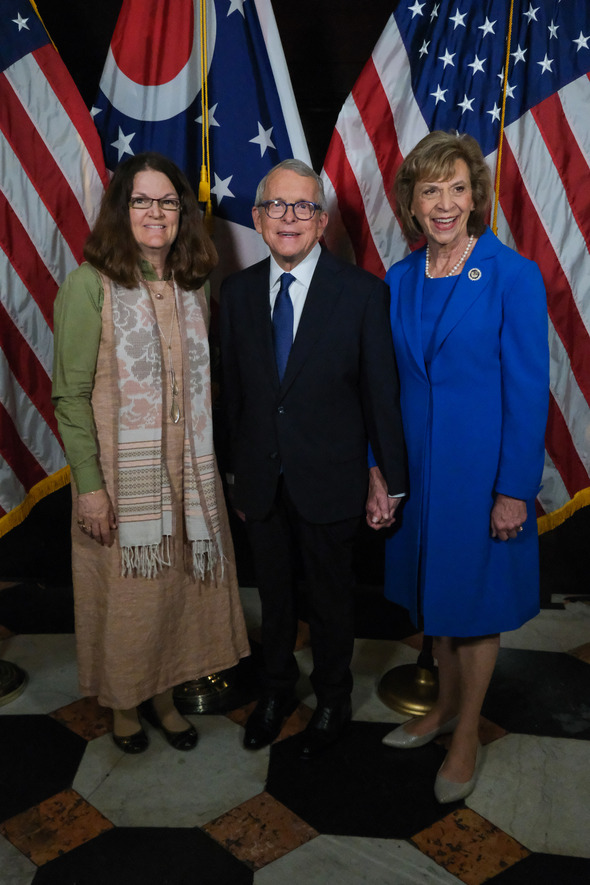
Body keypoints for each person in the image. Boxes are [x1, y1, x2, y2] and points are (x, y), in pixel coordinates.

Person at [52, 152, 249, 754]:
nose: (156, 213)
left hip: (187, 475)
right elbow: (70, 396)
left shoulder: (191, 282)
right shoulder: (90, 285)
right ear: (121, 208)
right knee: (128, 602)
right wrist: (89, 488)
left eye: (168, 202)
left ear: (182, 212)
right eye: (142, 201)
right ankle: (124, 706)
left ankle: (164, 696)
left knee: (175, 596)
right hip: (120, 477)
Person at [376, 131, 549, 802]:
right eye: (430, 190)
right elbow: (385, 388)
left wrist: (513, 489)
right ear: (412, 202)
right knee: (435, 602)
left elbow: (529, 389)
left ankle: (468, 731)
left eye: (456, 187)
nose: (444, 203)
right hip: (419, 480)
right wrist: (379, 471)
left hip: (482, 480)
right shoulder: (400, 279)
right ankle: (442, 709)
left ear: (476, 196)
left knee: (476, 610)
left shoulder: (513, 274)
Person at [219, 158, 406, 759]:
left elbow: (381, 395)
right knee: (273, 597)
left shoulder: (362, 294)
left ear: (321, 221)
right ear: (257, 217)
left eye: (303, 207)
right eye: (277, 205)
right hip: (262, 479)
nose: (289, 218)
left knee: (330, 598)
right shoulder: (239, 292)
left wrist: (391, 480)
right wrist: (234, 476)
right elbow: (234, 394)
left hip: (331, 477)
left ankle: (332, 695)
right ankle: (275, 692)